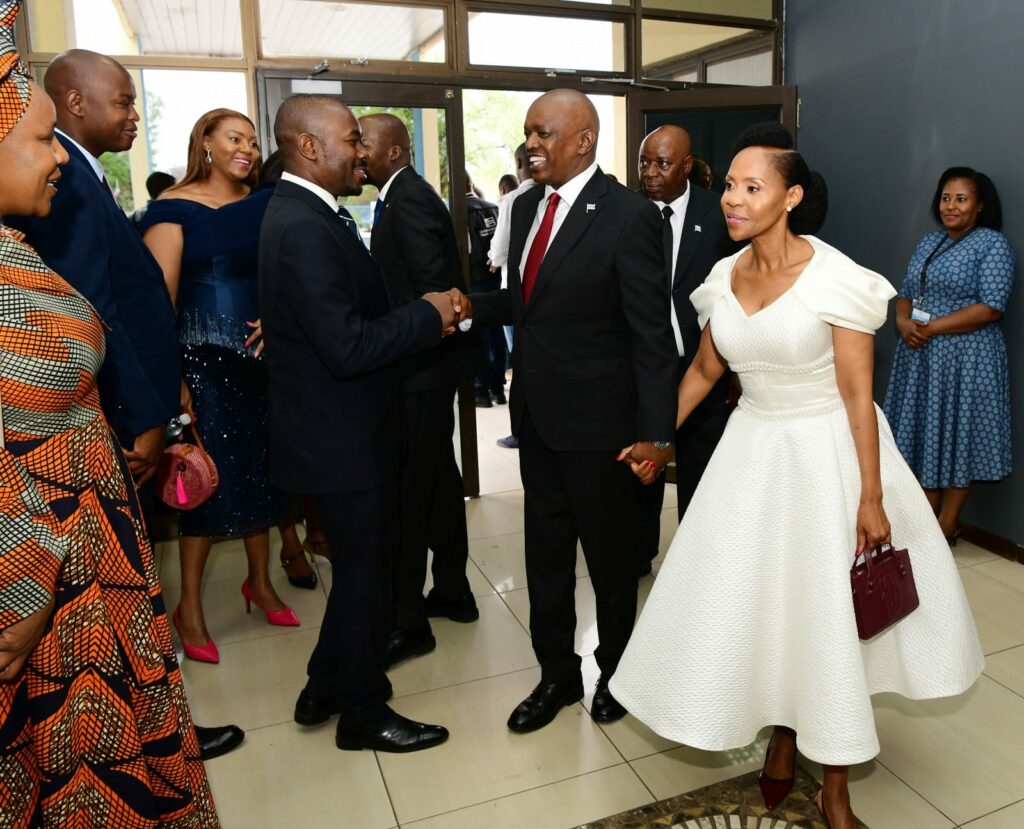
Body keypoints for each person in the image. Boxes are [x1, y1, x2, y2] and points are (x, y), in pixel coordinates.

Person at [610, 123, 984, 829]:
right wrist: (660, 441)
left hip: (828, 457)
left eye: (753, 187)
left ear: (791, 196)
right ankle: (783, 735)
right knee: (762, 603)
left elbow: (855, 395)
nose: (733, 198)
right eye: (729, 185)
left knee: (824, 614)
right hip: (752, 454)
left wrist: (870, 497)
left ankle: (835, 784)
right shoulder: (724, 277)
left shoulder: (838, 279)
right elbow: (705, 369)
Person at [0, 4, 218, 823]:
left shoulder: (18, 239)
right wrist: (17, 596)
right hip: (44, 589)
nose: (55, 154)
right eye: (39, 138)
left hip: (89, 563)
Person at [469, 89, 677, 733]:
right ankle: (556, 675)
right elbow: (527, 306)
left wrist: (656, 436)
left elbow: (651, 337)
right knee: (546, 559)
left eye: (542, 132)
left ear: (582, 139)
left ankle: (618, 672)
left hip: (602, 429)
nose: (530, 143)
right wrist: (466, 304)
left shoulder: (629, 216)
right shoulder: (526, 207)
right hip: (537, 422)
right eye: (528, 132)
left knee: (611, 564)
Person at [259, 93, 460, 753]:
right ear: (310, 147)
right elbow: (348, 345)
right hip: (342, 436)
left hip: (334, 429)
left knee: (358, 569)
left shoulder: (302, 212)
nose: (360, 151)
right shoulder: (307, 224)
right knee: (368, 574)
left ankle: (324, 682)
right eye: (350, 138)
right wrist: (428, 313)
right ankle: (364, 710)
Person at [140, 109, 301, 664]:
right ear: (204, 143)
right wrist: (173, 379)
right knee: (205, 483)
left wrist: (279, 319)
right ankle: (189, 609)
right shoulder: (173, 207)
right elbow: (159, 300)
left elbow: (280, 276)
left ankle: (260, 582)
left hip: (261, 360)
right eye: (235, 139)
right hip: (202, 362)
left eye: (253, 143)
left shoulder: (263, 205)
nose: (248, 150)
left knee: (264, 474)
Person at [359, 112, 478, 670]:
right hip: (424, 372)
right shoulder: (399, 195)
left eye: (363, 143)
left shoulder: (406, 199)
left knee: (409, 494)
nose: (356, 152)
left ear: (394, 150)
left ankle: (408, 621)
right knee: (437, 483)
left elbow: (436, 296)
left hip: (418, 373)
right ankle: (453, 590)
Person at [883, 167, 1015, 542]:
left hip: (968, 360)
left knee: (960, 436)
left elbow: (991, 307)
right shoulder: (929, 242)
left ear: (980, 206)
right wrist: (902, 319)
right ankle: (925, 520)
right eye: (945, 198)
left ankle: (945, 525)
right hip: (922, 356)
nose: (950, 206)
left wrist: (930, 328)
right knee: (928, 434)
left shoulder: (993, 245)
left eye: (961, 199)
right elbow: (907, 290)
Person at [633, 125, 738, 576]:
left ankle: (695, 563)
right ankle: (638, 554)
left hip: (705, 364)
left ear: (687, 166)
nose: (651, 172)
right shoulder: (626, 212)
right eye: (645, 162)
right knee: (643, 466)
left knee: (700, 466)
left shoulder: (719, 215)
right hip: (641, 369)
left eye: (662, 163)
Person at [487, 142, 537, 450]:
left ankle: (521, 429)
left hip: (515, 296)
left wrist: (492, 259)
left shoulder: (513, 200)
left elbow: (500, 249)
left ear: (520, 164)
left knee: (520, 363)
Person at [466, 170, 505, 408]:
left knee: (476, 337)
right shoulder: (493, 208)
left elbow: (467, 252)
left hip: (475, 282)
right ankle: (498, 388)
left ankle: (480, 389)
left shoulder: (461, 213)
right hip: (495, 280)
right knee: (496, 334)